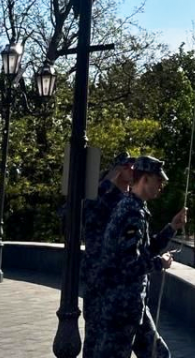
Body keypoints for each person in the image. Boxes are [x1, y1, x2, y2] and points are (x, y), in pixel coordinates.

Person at [92, 154, 187, 358]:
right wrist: (160, 264)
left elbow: (144, 250)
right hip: (121, 307)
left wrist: (171, 228)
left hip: (134, 304)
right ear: (145, 179)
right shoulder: (131, 212)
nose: (161, 186)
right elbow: (129, 265)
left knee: (159, 354)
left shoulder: (136, 207)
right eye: (158, 180)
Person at [82, 153, 136, 358]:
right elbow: (86, 212)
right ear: (118, 170)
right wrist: (108, 181)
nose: (133, 170)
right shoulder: (104, 196)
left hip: (118, 280)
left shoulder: (130, 199)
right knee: (94, 332)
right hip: (97, 275)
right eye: (128, 166)